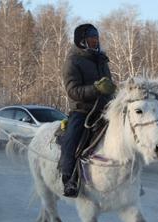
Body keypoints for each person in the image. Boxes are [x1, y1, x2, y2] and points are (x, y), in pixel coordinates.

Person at [59, 24, 116, 198]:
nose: (95, 40)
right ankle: (69, 178)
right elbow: (73, 91)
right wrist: (97, 89)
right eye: (92, 37)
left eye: (96, 37)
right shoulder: (73, 61)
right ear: (82, 41)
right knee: (72, 138)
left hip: (105, 110)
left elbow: (109, 86)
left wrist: (114, 93)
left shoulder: (101, 60)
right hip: (83, 111)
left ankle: (130, 176)